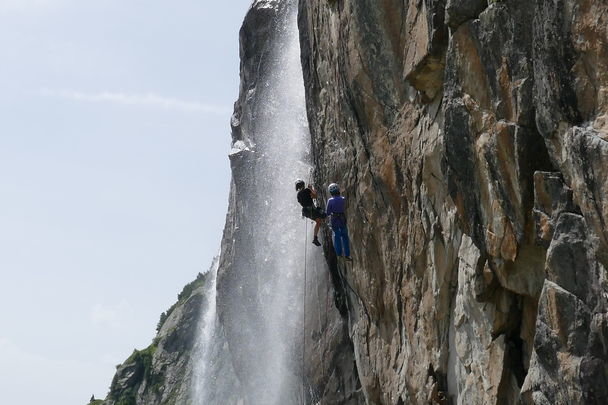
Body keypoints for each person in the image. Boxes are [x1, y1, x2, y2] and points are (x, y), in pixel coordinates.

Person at [295, 179, 326, 246]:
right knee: (323, 216)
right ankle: (315, 238)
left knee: (318, 221)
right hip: (312, 210)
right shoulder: (307, 190)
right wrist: (311, 188)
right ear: (303, 185)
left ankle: (315, 238)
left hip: (306, 212)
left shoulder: (298, 195)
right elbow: (315, 196)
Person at [326, 183, 352, 260]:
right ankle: (347, 255)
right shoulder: (343, 199)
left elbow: (327, 212)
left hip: (334, 220)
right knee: (345, 237)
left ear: (331, 192)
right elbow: (346, 207)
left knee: (337, 237)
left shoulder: (330, 201)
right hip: (342, 219)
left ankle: (339, 254)